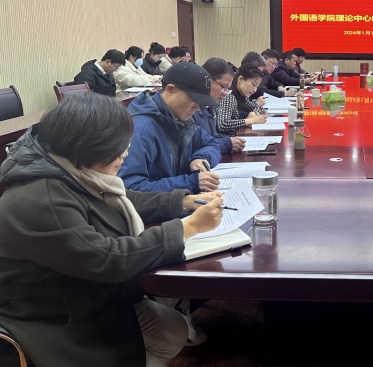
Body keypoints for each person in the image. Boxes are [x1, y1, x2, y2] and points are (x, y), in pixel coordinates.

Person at [0, 92, 224, 367]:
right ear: (86, 147)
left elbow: (123, 198)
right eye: (117, 149)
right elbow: (106, 259)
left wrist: (183, 201)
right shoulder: (41, 200)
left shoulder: (70, 167)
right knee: (162, 340)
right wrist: (187, 227)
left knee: (173, 331)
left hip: (92, 296)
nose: (125, 154)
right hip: (55, 317)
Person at [119, 63, 222, 193]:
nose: (197, 108)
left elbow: (211, 144)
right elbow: (129, 189)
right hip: (161, 205)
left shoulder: (181, 118)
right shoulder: (141, 130)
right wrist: (190, 183)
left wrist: (199, 158)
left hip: (177, 201)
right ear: (170, 90)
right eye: (194, 100)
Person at [196, 57, 247, 154]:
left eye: (228, 89)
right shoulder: (191, 108)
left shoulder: (210, 106)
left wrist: (230, 139)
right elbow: (196, 146)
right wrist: (226, 143)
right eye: (224, 87)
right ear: (207, 80)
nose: (225, 93)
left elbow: (210, 137)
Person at [217, 63, 267, 136]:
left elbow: (255, 107)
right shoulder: (229, 96)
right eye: (253, 84)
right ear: (240, 79)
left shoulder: (240, 95)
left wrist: (254, 113)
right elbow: (222, 124)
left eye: (257, 86)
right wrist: (251, 120)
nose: (255, 90)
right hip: (226, 139)